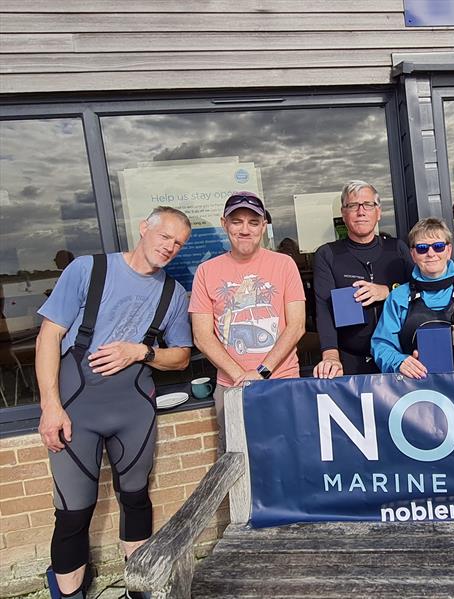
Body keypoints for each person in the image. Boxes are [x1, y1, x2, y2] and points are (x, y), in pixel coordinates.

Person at [35, 206, 192, 599]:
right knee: (73, 512)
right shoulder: (89, 270)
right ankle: (69, 595)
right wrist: (50, 407)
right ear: (144, 228)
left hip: (132, 409)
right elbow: (48, 337)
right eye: (164, 237)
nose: (169, 247)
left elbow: (182, 356)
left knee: (136, 498)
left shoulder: (173, 293)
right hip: (76, 407)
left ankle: (136, 589)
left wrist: (141, 351)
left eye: (178, 243)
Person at [189, 192, 305, 446]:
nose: (245, 229)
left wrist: (261, 372)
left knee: (289, 456)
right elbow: (202, 336)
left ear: (263, 226)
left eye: (253, 222)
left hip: (282, 381)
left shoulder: (284, 264)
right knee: (236, 459)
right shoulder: (206, 271)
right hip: (230, 386)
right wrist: (241, 375)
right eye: (236, 221)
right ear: (224, 224)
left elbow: (296, 326)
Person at [371, 217, 454, 378]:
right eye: (422, 248)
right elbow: (381, 345)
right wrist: (399, 361)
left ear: (448, 250)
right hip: (415, 389)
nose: (431, 254)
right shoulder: (399, 298)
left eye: (438, 246)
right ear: (413, 254)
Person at [313, 181, 413, 377]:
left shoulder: (398, 250)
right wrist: (331, 355)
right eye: (353, 205)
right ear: (343, 213)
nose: (361, 211)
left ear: (378, 212)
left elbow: (420, 291)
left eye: (368, 205)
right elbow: (323, 309)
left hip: (398, 359)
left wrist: (387, 291)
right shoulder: (329, 255)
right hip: (349, 361)